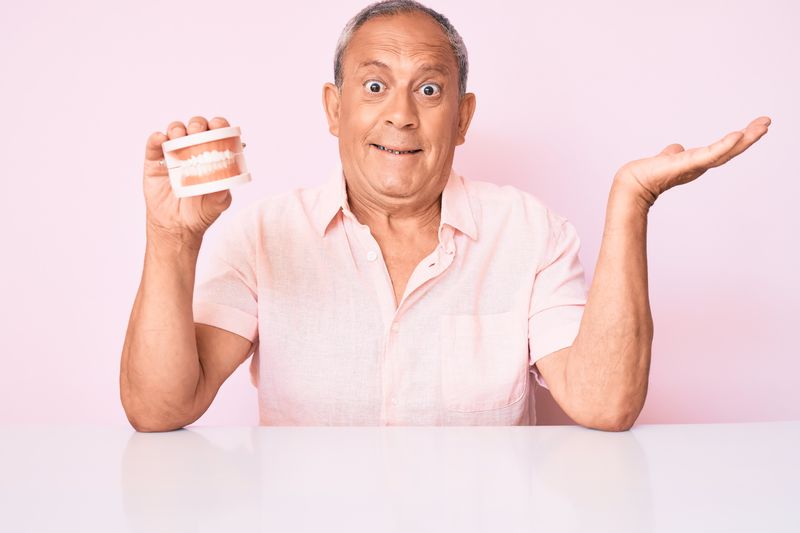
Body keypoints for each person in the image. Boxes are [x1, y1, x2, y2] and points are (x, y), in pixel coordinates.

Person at [119, 0, 770, 431]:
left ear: (462, 118)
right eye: (374, 86)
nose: (401, 113)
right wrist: (173, 240)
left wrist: (633, 199)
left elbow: (606, 403)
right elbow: (158, 407)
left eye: (429, 89)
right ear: (333, 108)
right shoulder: (264, 235)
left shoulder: (530, 232)